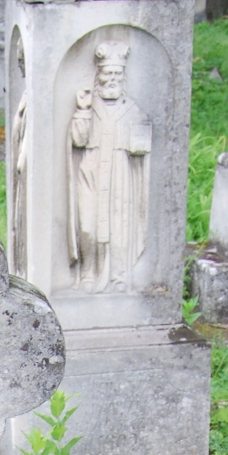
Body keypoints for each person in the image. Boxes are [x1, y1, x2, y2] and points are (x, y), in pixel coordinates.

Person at [67, 38, 152, 293]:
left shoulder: (132, 109)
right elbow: (78, 140)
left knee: (119, 225)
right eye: (107, 73)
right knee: (88, 225)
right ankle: (87, 273)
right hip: (90, 171)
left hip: (119, 172)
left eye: (117, 73)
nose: (112, 79)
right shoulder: (89, 105)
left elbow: (141, 146)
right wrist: (82, 111)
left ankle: (118, 276)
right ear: (99, 75)